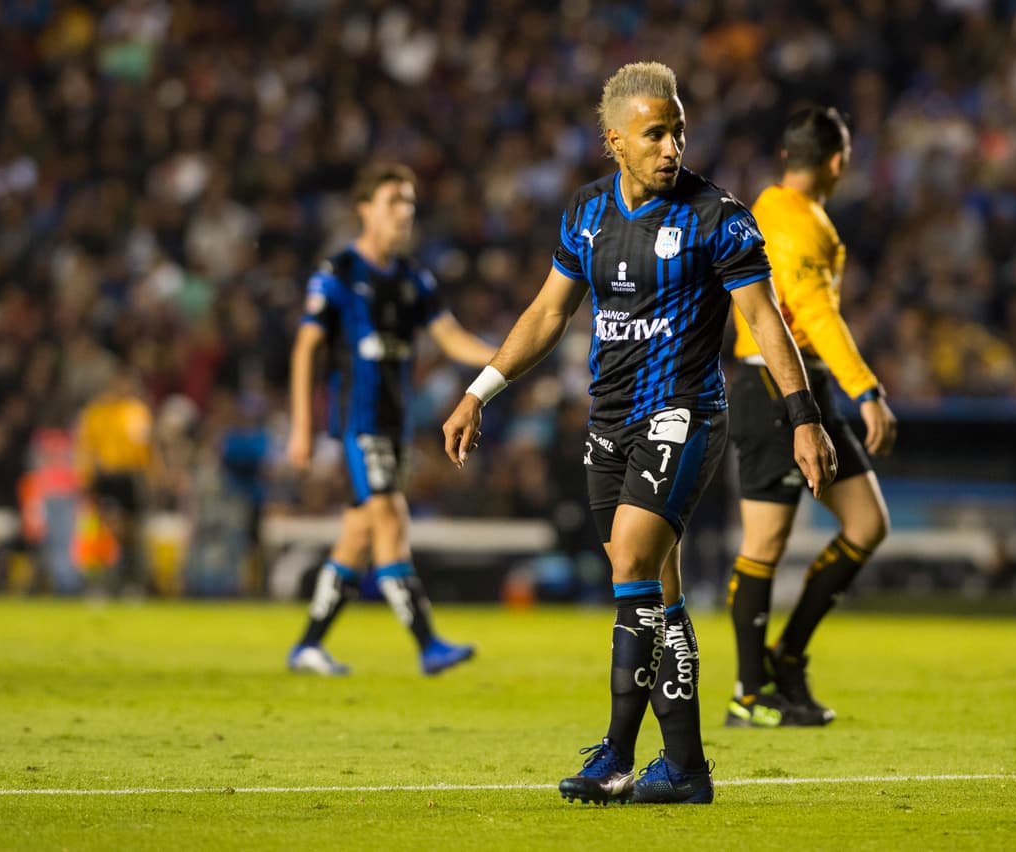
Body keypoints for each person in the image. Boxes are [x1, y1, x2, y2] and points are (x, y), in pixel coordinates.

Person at [442, 62, 836, 806]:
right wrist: (479, 391)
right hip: (610, 421)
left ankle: (616, 756)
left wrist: (804, 416)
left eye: (678, 131)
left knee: (631, 558)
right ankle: (685, 767)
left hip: (684, 413)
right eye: (655, 133)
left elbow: (764, 319)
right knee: (655, 590)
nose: (671, 146)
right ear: (614, 140)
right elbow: (547, 314)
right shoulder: (587, 213)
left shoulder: (718, 217)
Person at [285, 162, 497, 676]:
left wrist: (503, 358)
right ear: (365, 209)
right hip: (359, 423)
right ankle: (428, 644)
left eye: (409, 203)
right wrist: (301, 428)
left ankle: (308, 645)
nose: (404, 213)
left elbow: (450, 338)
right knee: (390, 517)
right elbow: (306, 347)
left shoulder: (412, 279)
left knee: (358, 534)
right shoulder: (338, 273)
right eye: (393, 202)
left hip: (395, 424)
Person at [724, 107, 898, 729]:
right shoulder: (797, 225)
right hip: (771, 384)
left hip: (805, 385)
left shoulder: (769, 210)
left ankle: (787, 656)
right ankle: (749, 691)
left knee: (866, 523)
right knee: (765, 540)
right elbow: (816, 314)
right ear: (836, 162)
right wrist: (866, 389)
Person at [73, 367, 154, 595]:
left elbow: (147, 450)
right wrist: (86, 477)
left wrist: (151, 480)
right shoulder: (96, 413)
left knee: (131, 533)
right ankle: (101, 584)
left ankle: (132, 583)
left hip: (130, 477)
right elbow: (85, 448)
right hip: (105, 478)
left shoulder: (137, 412)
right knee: (103, 531)